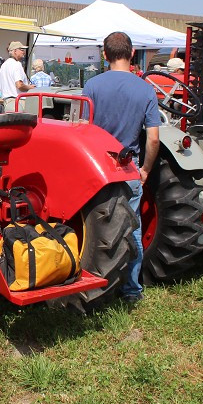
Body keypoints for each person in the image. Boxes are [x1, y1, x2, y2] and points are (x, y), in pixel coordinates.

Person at [82, 32, 160, 305]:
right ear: (132, 53)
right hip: (129, 168)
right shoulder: (145, 89)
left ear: (105, 54)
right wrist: (146, 169)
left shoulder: (92, 85)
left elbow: (84, 130)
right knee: (133, 228)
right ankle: (131, 290)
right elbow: (153, 137)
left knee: (91, 229)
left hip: (98, 169)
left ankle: (92, 284)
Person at [0, 41, 33, 110]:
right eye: (21, 50)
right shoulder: (16, 64)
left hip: (7, 102)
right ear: (15, 51)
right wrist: (30, 87)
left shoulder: (4, 65)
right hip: (18, 102)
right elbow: (19, 85)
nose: (23, 52)